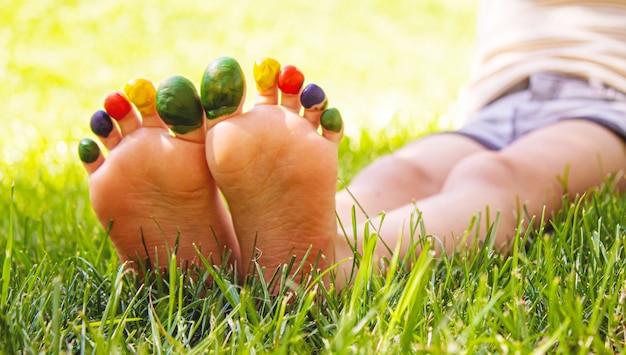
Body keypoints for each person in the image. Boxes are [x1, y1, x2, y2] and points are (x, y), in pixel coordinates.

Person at [78, 0, 626, 287]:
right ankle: (263, 246)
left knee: (498, 180)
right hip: (493, 104)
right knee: (398, 174)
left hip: (607, 107)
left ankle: (336, 260)